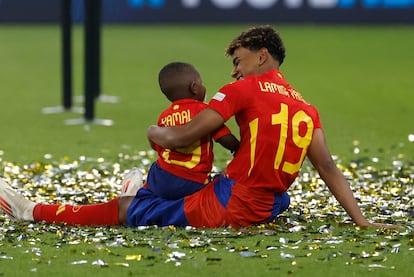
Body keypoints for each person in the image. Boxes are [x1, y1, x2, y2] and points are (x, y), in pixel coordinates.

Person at [0, 25, 396, 228]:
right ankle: (146, 191)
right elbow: (327, 167)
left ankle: (32, 210)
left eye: (238, 60)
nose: (233, 69)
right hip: (267, 201)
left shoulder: (241, 90)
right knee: (198, 185)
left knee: (128, 211)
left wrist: (153, 134)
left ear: (261, 56)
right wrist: (360, 219)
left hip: (233, 204)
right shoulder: (306, 108)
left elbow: (184, 135)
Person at [139, 61, 239, 199]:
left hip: (162, 177)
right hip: (193, 182)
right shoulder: (204, 111)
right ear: (194, 88)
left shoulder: (164, 116)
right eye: (201, 83)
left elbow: (160, 147)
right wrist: (238, 148)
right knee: (217, 185)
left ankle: (138, 194)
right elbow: (224, 137)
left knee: (155, 176)